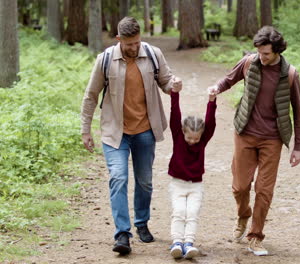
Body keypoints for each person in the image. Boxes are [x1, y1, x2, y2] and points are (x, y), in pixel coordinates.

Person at [80, 17, 182, 255]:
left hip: (145, 130)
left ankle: (142, 223)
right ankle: (122, 233)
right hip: (115, 132)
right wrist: (85, 129)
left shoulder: (153, 55)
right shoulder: (105, 60)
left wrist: (174, 85)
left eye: (137, 42)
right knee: (118, 178)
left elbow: (165, 82)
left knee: (144, 181)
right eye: (129, 44)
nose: (134, 48)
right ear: (119, 40)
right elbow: (91, 95)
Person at [208, 26, 300, 256]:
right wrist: (216, 88)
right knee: (240, 186)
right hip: (245, 133)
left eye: (267, 54)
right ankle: (243, 215)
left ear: (278, 51)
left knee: (264, 189)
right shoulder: (249, 62)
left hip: (272, 139)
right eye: (260, 52)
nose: (262, 57)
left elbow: (298, 112)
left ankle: (255, 236)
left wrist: (298, 147)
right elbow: (229, 79)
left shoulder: (290, 74)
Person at [167, 84, 217, 259]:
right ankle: (176, 242)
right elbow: (175, 115)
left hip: (196, 185)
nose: (193, 141)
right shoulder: (178, 136)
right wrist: (175, 93)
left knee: (192, 213)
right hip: (177, 184)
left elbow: (210, 123)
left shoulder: (202, 141)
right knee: (179, 212)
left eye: (196, 138)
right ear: (183, 132)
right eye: (189, 137)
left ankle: (188, 243)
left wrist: (212, 101)